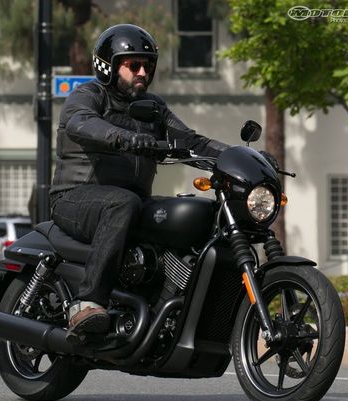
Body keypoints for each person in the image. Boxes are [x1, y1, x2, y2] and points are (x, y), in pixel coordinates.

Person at [50, 24, 231, 334]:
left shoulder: (153, 108)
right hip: (74, 198)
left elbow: (191, 141)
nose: (143, 73)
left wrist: (239, 157)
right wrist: (123, 137)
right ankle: (88, 303)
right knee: (123, 203)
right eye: (133, 65)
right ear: (108, 66)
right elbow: (81, 123)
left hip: (131, 201)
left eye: (147, 66)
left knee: (192, 216)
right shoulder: (89, 95)